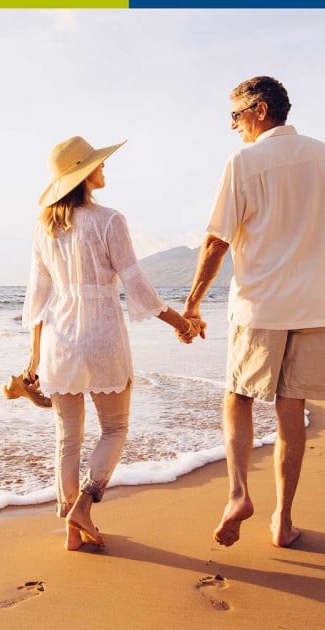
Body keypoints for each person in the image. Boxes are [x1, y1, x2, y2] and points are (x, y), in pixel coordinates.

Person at [183, 76, 325, 549]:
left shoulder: (245, 160)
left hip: (260, 305)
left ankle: (240, 493)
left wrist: (193, 301)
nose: (234, 126)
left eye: (236, 116)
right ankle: (283, 521)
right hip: (317, 305)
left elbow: (216, 240)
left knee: (238, 397)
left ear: (260, 111)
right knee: (292, 407)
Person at [10, 135, 202, 551]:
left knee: (67, 438)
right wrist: (178, 323)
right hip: (101, 336)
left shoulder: (45, 228)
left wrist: (34, 356)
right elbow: (136, 283)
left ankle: (71, 531)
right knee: (114, 428)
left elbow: (37, 298)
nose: (104, 168)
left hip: (58, 339)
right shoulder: (110, 220)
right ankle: (85, 503)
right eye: (98, 163)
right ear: (83, 175)